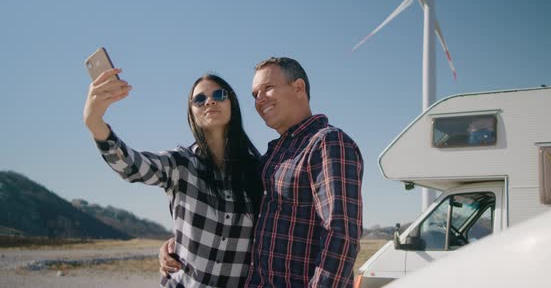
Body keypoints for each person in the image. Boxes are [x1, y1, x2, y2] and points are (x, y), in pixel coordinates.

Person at [160, 57, 364, 287]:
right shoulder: (271, 157)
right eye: (255, 94)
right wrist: (177, 245)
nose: (259, 100)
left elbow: (341, 235)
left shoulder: (327, 143)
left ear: (298, 88)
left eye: (268, 88)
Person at [84, 68, 263, 287]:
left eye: (218, 95)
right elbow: (132, 166)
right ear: (191, 112)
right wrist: (95, 122)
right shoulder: (181, 164)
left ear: (232, 104)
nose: (209, 102)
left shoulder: (258, 171)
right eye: (199, 99)